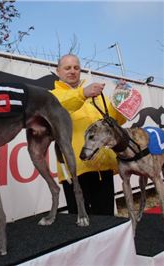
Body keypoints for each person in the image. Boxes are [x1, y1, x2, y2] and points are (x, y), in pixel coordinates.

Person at [51, 54, 127, 215]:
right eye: (67, 68)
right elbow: (61, 106)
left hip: (102, 168)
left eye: (76, 68)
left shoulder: (97, 95)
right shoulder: (51, 96)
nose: (72, 71)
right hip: (74, 170)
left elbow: (115, 120)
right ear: (58, 71)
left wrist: (120, 98)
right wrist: (83, 93)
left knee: (106, 221)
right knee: (81, 225)